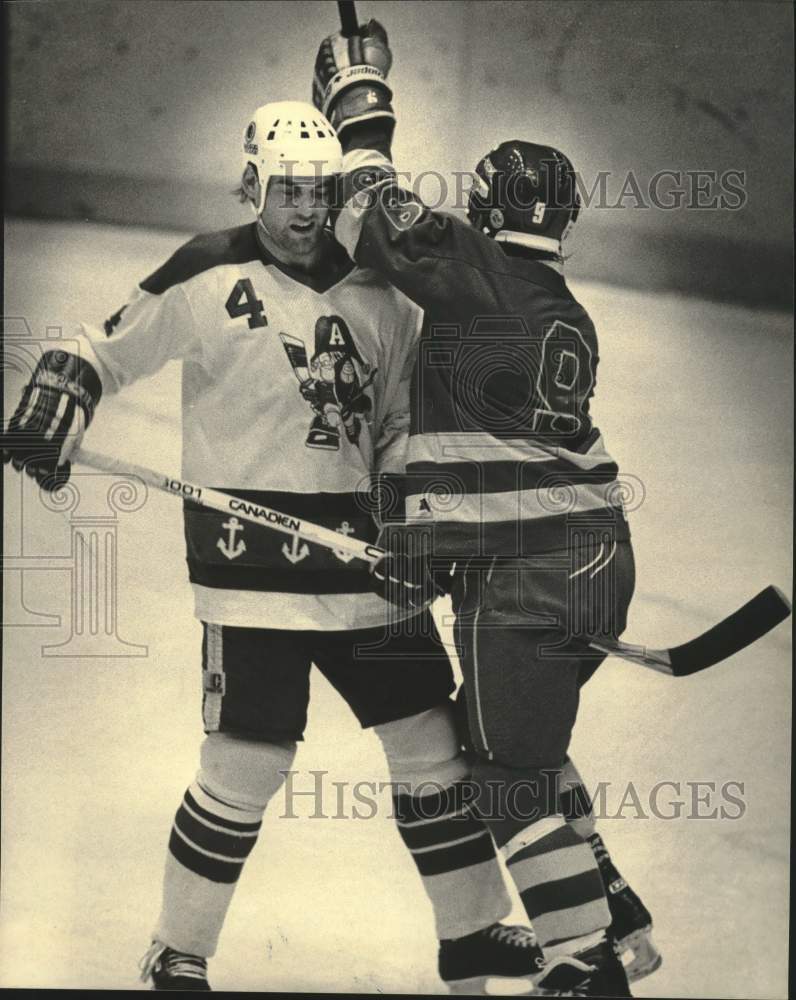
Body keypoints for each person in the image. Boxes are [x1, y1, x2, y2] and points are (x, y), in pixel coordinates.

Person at [0, 101, 546, 993]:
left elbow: (407, 422)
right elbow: (103, 349)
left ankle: (474, 931)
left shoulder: (382, 292)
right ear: (253, 183)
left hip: (371, 564)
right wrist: (61, 393)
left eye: (320, 191)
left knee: (431, 746)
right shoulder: (208, 270)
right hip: (246, 569)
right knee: (246, 763)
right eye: (288, 189)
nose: (303, 208)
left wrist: (415, 512)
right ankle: (178, 952)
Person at [311, 20, 660, 997]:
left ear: (474, 209)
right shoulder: (559, 306)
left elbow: (375, 215)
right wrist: (423, 551)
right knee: (511, 744)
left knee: (502, 775)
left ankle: (583, 961)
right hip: (593, 560)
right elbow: (490, 454)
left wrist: (359, 97)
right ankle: (611, 904)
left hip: (535, 573)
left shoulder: (476, 272)